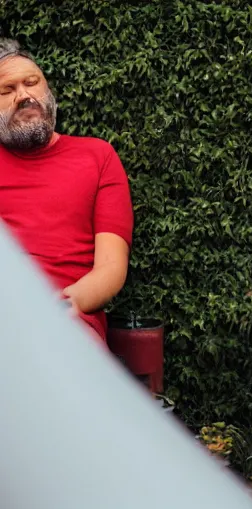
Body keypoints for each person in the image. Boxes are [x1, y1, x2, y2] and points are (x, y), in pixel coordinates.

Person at [0, 38, 134, 346]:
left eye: (32, 83)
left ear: (48, 94)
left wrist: (59, 307)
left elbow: (112, 267)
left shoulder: (97, 157)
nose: (24, 95)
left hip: (67, 322)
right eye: (7, 90)